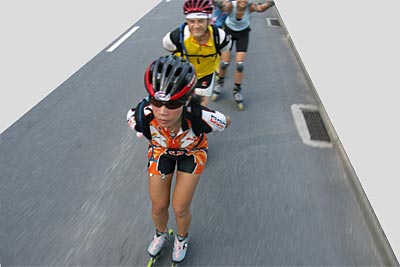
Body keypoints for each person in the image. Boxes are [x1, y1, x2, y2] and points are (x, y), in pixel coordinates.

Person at [126, 55, 231, 264]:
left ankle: (182, 238)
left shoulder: (200, 117)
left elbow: (226, 121)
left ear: (185, 101)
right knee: (158, 206)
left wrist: (217, 119)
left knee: (180, 207)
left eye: (173, 104)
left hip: (192, 154)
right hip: (161, 152)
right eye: (156, 102)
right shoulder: (141, 116)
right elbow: (134, 120)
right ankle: (160, 234)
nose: (163, 112)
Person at [162, 0, 232, 107]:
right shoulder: (173, 38)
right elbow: (170, 50)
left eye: (200, 21)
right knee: (176, 108)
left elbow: (225, 54)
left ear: (208, 21)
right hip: (182, 75)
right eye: (192, 21)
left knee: (199, 111)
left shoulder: (220, 37)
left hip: (205, 75)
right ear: (187, 21)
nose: (196, 26)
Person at [212, 0, 275, 110]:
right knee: (224, 63)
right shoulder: (232, 6)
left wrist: (272, 3)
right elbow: (223, 8)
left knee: (240, 65)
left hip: (243, 34)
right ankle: (220, 83)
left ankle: (237, 89)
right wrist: (217, 3)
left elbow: (261, 8)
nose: (243, 1)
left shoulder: (250, 7)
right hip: (229, 32)